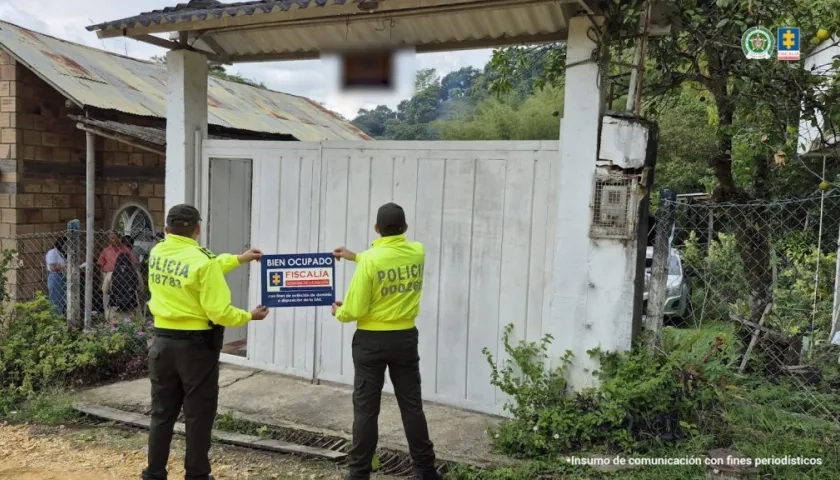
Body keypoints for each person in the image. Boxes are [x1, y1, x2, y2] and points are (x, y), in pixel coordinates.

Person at [142, 204, 270, 480]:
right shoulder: (202, 261)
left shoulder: (158, 252)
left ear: (166, 229)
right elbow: (219, 312)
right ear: (198, 229)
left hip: (162, 343)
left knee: (161, 414)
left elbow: (203, 267)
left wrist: (239, 258)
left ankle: (154, 474)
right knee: (198, 416)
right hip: (195, 349)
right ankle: (197, 474)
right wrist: (250, 316)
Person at [331, 202, 439, 480]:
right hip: (405, 339)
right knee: (411, 406)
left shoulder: (370, 259)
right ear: (405, 227)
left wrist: (339, 312)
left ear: (376, 229)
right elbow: (388, 260)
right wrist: (356, 257)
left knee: (366, 409)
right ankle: (426, 470)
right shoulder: (418, 252)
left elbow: (353, 310)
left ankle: (358, 473)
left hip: (371, 342)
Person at [98, 231, 136, 312]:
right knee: (106, 294)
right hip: (109, 275)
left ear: (119, 238)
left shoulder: (125, 250)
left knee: (125, 294)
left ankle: (126, 312)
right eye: (111, 239)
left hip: (123, 275)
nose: (113, 240)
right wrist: (102, 279)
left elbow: (132, 264)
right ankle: (107, 314)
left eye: (115, 238)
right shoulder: (106, 250)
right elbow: (101, 265)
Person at [45, 236, 67, 315]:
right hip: (55, 276)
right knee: (56, 300)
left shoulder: (62, 254)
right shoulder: (53, 252)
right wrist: (66, 267)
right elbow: (52, 267)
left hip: (63, 276)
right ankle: (55, 318)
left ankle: (60, 317)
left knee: (62, 300)